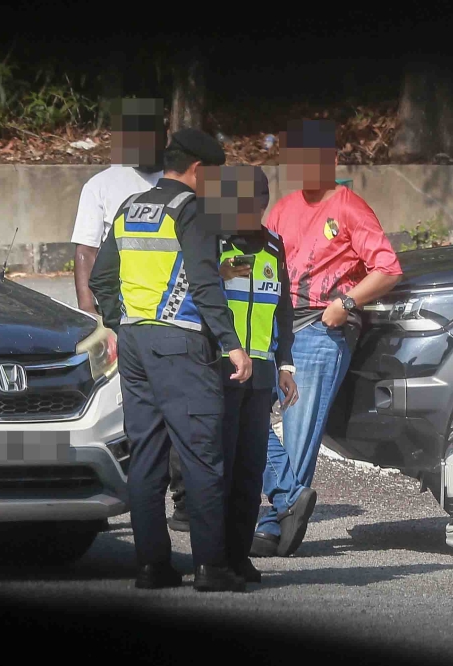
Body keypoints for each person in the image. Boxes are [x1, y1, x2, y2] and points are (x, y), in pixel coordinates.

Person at [88, 127, 253, 593]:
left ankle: (152, 566)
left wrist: (122, 322)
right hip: (180, 345)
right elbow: (202, 283)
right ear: (200, 169)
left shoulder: (130, 207)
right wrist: (232, 343)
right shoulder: (192, 210)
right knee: (202, 454)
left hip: (136, 343)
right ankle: (211, 567)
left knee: (147, 456)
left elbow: (103, 277)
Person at [251, 119, 403, 558]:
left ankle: (272, 521)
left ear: (332, 160)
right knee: (246, 414)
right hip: (279, 325)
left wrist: (346, 306)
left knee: (299, 427)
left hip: (323, 325)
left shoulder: (350, 206)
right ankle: (284, 504)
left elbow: (388, 269)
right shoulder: (281, 208)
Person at [171, 163, 299, 583]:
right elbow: (189, 295)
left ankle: (239, 555)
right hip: (218, 369)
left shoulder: (275, 246)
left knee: (249, 469)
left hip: (261, 372)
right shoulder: (212, 241)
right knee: (217, 470)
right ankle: (214, 558)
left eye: (253, 203)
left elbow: (282, 308)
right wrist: (219, 273)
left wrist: (285, 364)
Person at [71, 98, 165, 316]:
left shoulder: (177, 180)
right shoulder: (101, 185)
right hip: (120, 306)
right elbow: (86, 250)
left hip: (169, 304)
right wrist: (87, 309)